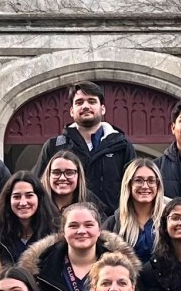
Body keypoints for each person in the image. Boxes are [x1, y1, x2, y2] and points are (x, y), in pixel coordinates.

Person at [19, 202, 139, 291]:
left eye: (88, 225)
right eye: (73, 226)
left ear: (99, 230)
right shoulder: (41, 270)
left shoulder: (121, 268)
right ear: (63, 232)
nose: (81, 231)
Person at [32, 81, 136, 216]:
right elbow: (37, 187)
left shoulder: (122, 146)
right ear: (71, 111)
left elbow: (133, 187)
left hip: (111, 226)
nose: (85, 106)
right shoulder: (54, 146)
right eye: (79, 102)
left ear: (103, 109)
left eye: (92, 101)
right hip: (63, 225)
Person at [0, 171, 60, 265]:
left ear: (39, 198)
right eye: (17, 196)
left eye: (29, 195)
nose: (23, 202)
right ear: (8, 200)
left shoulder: (55, 233)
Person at [103, 158, 166, 264]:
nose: (145, 186)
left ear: (158, 185)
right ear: (128, 184)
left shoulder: (169, 221)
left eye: (151, 180)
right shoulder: (113, 224)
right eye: (138, 180)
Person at [40, 149, 107, 216]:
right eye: (56, 172)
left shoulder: (91, 202)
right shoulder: (37, 201)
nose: (62, 178)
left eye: (69, 173)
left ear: (79, 175)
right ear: (48, 175)